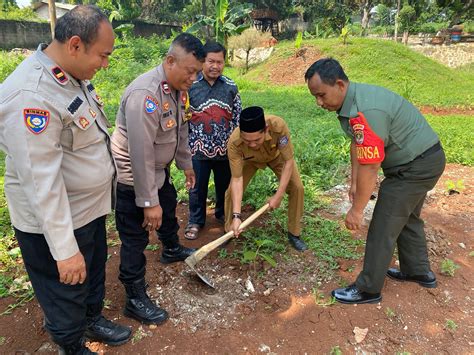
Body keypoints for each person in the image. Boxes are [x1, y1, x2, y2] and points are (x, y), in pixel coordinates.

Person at [0, 5, 131, 354]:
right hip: (56, 223)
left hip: (86, 211)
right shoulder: (32, 96)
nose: (105, 64)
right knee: (65, 288)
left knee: (91, 276)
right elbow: (40, 181)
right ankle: (70, 343)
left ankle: (91, 319)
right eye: (103, 55)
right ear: (75, 45)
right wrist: (64, 249)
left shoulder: (71, 77)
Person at [305, 58, 445, 304]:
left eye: (321, 95)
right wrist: (354, 182)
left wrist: (357, 210)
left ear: (339, 84)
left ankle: (368, 289)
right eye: (315, 97)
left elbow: (371, 165)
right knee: (407, 217)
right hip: (423, 159)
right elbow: (358, 144)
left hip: (414, 167)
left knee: (383, 224)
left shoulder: (366, 110)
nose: (319, 103)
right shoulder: (354, 103)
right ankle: (418, 271)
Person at [111, 33, 204, 325]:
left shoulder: (177, 89)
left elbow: (179, 130)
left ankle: (171, 248)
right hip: (133, 178)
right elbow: (140, 154)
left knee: (168, 208)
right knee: (136, 237)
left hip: (158, 172)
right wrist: (147, 200)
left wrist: (186, 164)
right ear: (169, 61)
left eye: (196, 73)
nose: (193, 78)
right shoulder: (146, 96)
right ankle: (134, 297)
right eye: (190, 71)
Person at [224, 106, 307, 251]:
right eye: (247, 141)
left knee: (297, 188)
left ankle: (294, 233)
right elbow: (237, 179)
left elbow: (288, 161)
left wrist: (278, 195)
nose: (252, 144)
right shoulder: (234, 143)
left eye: (256, 139)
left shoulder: (278, 127)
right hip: (250, 160)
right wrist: (237, 215)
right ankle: (230, 230)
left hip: (277, 157)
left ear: (266, 129)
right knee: (231, 191)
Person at [184, 41, 241, 240]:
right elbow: (183, 117)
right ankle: (195, 220)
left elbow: (237, 117)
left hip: (225, 150)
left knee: (224, 185)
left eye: (219, 62)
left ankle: (222, 214)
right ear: (202, 61)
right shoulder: (190, 85)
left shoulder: (231, 87)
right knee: (196, 186)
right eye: (210, 61)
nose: (215, 66)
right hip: (197, 149)